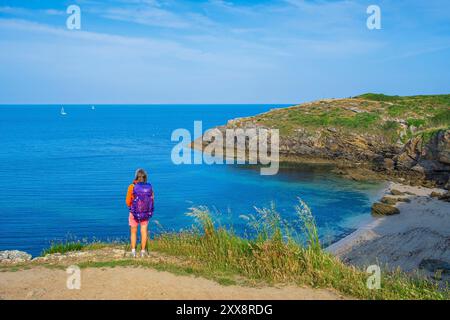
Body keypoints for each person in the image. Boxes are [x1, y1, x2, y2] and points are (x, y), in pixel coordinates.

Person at [126, 168, 154, 258]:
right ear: (145, 177)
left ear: (136, 177)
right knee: (144, 232)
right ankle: (142, 252)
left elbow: (127, 202)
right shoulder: (149, 187)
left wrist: (133, 206)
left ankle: (133, 252)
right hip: (145, 214)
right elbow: (152, 199)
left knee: (133, 232)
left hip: (134, 213)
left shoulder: (132, 186)